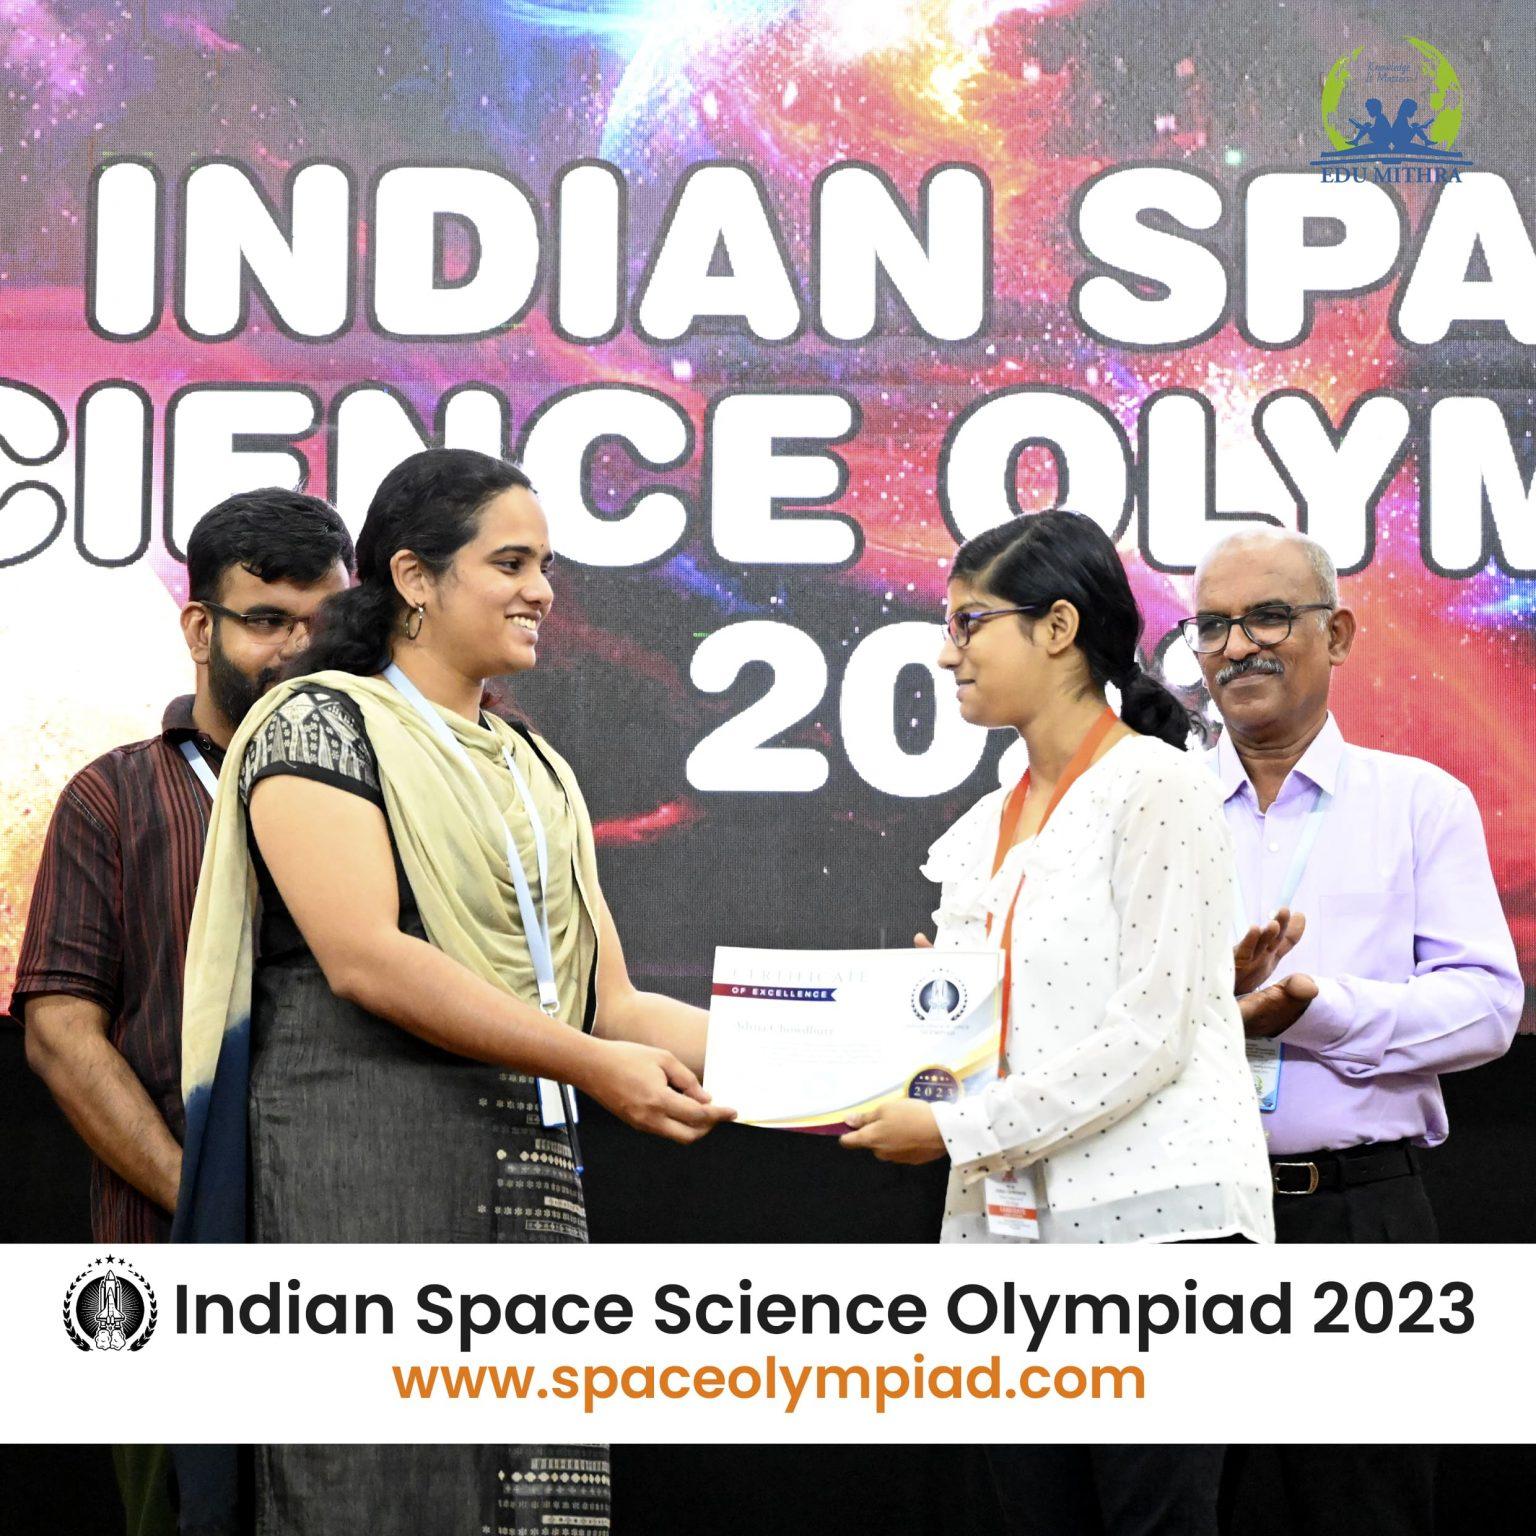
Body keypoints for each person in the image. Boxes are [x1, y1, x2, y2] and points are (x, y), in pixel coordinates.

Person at [174, 446, 734, 1536]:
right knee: (376, 1495)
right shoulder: (317, 724)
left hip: (529, 1190)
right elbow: (364, 956)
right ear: (415, 579)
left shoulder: (532, 764)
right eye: (511, 563)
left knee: (533, 1502)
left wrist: (845, 1065)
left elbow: (609, 1005)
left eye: (546, 566)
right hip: (366, 1186)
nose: (542, 591)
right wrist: (590, 1067)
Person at [840, 510, 1273, 1536]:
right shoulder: (985, 821)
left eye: (968, 622)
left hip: (1161, 1237)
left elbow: (1152, 1035)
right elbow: (990, 1030)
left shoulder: (1158, 785)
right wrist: (931, 1022)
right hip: (1011, 1244)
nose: (946, 652)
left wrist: (955, 1128)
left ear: (1058, 627)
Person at [10, 486, 353, 1536]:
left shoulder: (389, 793)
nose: (300, 651)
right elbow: (61, 1037)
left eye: (323, 623)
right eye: (268, 621)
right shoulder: (111, 798)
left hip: (365, 1263)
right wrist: (210, 1206)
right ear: (200, 627)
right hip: (163, 1267)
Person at [1188, 528, 1522, 1536]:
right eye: (1213, 626)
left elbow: (1488, 1005)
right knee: (1184, 1513)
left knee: (1368, 1510)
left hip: (1358, 1218)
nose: (1237, 646)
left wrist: (1322, 1010)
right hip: (1181, 1219)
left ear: (1337, 635)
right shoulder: (1158, 809)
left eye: (1267, 617)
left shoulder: (1418, 802)